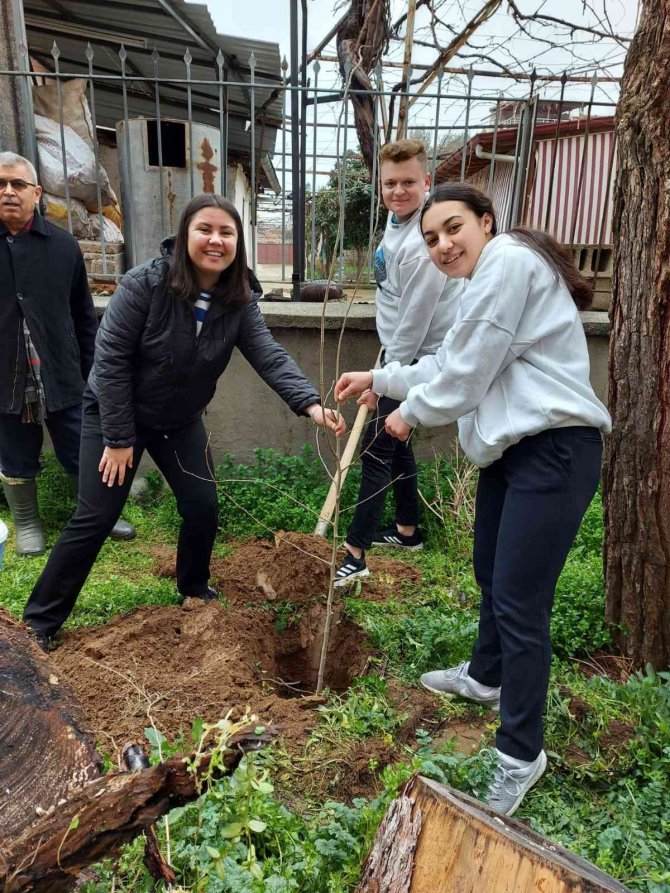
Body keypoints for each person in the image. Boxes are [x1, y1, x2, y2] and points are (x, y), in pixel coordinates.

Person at [335, 183, 611, 816]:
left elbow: (463, 375)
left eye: (453, 228)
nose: (442, 245)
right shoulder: (479, 283)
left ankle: (521, 753)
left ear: (487, 222)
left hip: (555, 450)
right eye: (430, 238)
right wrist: (379, 379)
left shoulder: (508, 261)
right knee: (490, 572)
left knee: (520, 602)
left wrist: (410, 414)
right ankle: (486, 678)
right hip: (513, 453)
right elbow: (447, 361)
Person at [23, 193, 344, 646]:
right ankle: (39, 622)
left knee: (201, 507)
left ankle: (193, 587)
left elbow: (267, 354)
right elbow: (110, 362)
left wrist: (310, 403)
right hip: (116, 413)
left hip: (178, 419)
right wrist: (118, 438)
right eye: (205, 230)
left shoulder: (238, 299)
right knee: (96, 516)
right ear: (184, 236)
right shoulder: (144, 285)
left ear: (238, 242)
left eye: (226, 232)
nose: (216, 240)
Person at [334, 139, 462, 587]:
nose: (399, 190)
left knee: (376, 448)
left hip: (419, 357)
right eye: (390, 183)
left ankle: (355, 552)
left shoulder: (425, 239)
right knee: (397, 442)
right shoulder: (396, 221)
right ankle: (408, 531)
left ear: (427, 181)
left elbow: (416, 319)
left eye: (409, 182)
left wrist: (384, 380)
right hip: (396, 352)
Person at [0, 151, 135, 556]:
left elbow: (83, 315)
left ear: (37, 193)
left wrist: (93, 371)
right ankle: (26, 523)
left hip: (60, 371)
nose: (8, 191)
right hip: (5, 375)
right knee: (14, 450)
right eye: (0, 184)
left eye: (18, 184)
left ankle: (98, 512)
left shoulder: (62, 246)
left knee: (81, 444)